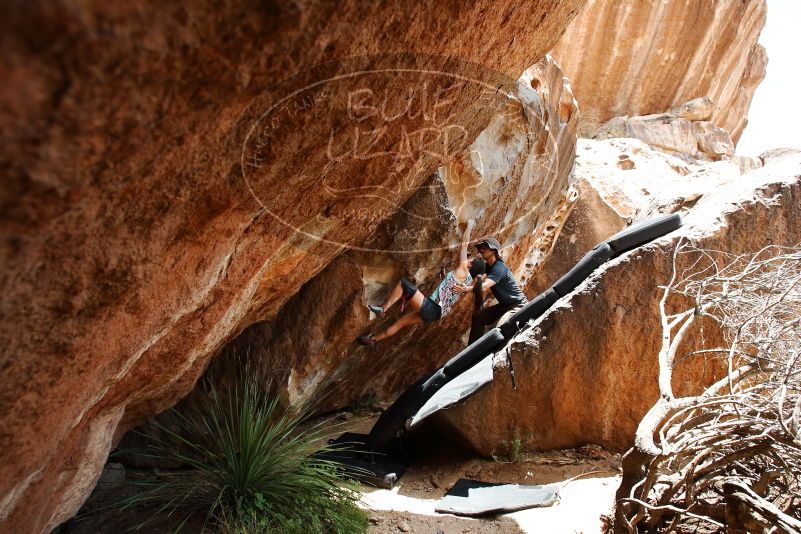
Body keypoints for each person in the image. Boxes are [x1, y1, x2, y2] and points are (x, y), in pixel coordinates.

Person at [357, 220, 486, 346]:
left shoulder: (464, 269)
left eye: (470, 258)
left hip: (432, 307)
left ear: (470, 264)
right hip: (435, 315)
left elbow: (464, 245)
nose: (467, 258)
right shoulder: (467, 281)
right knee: (400, 323)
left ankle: (382, 309)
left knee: (403, 283)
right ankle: (373, 340)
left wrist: (470, 224)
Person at [455, 237, 527, 344]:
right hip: (505, 306)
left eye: (485, 247)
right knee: (479, 317)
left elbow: (484, 286)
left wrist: (466, 288)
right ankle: (472, 351)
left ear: (493, 250)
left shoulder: (499, 268)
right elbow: (474, 266)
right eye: (481, 248)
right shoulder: (488, 266)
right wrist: (468, 258)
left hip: (518, 306)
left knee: (499, 328)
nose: (481, 250)